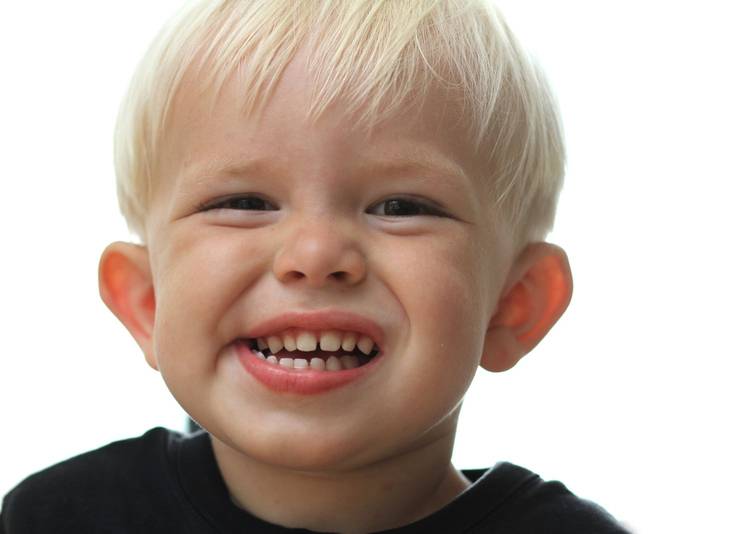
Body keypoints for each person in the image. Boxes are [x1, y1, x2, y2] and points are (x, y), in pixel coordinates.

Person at [1, 1, 630, 532]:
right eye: (244, 203)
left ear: (513, 305)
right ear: (147, 302)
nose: (315, 256)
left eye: (400, 207)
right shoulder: (59, 517)